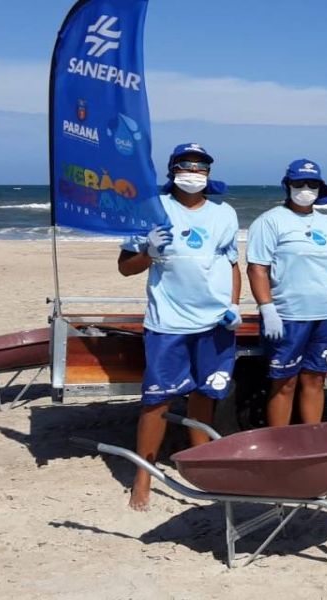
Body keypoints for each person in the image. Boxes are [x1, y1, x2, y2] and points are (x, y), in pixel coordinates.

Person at [118, 143, 241, 511]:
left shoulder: (224, 213)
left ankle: (199, 462)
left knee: (205, 394)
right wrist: (149, 252)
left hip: (214, 323)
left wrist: (234, 304)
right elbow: (125, 267)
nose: (193, 172)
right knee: (157, 400)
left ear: (209, 173)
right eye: (186, 165)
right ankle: (143, 476)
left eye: (200, 167)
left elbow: (232, 264)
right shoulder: (151, 209)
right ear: (172, 170)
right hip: (168, 323)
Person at [246, 159, 327, 427]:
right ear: (288, 185)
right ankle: (280, 441)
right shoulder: (270, 221)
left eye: (312, 183)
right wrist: (267, 308)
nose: (306, 188)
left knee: (316, 379)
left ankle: (312, 436)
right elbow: (257, 268)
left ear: (320, 187)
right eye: (299, 183)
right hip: (288, 316)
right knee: (284, 382)